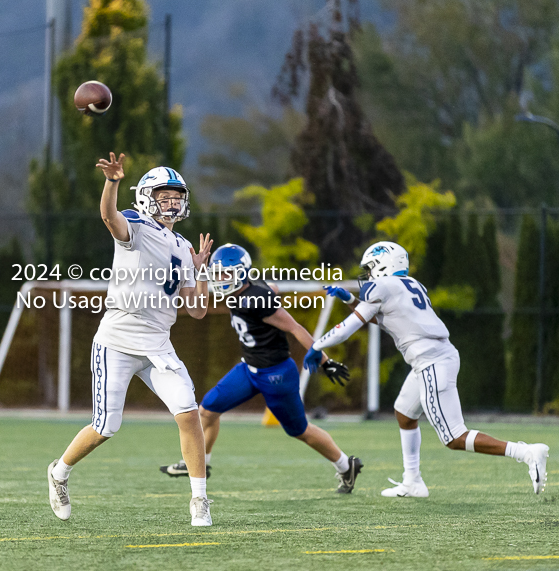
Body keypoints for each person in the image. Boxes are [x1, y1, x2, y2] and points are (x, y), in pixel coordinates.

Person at [47, 153, 215, 526]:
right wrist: (113, 182)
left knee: (188, 412)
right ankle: (59, 472)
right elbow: (109, 217)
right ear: (145, 197)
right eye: (164, 195)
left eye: (177, 196)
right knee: (106, 427)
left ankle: (199, 499)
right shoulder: (136, 224)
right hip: (119, 339)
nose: (172, 202)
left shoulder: (185, 246)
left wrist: (200, 272)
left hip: (158, 342)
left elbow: (198, 310)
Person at [314, 241, 549, 498]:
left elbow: (348, 328)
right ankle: (412, 481)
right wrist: (349, 298)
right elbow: (378, 316)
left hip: (430, 362)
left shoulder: (382, 286)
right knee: (404, 412)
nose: (368, 275)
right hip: (437, 356)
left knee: (454, 437)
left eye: (370, 268)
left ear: (383, 264)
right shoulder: (412, 284)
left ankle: (526, 452)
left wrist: (316, 346)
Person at [160, 244, 363, 493]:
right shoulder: (245, 291)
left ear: (242, 273)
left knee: (300, 430)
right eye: (218, 273)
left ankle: (346, 465)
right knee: (207, 410)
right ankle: (202, 463)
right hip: (249, 369)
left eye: (226, 274)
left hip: (277, 374)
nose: (221, 279)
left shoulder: (258, 299)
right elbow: (271, 289)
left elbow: (295, 327)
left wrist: (325, 361)